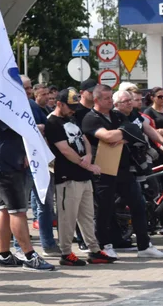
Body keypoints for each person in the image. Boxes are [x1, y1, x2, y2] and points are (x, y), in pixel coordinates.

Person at [82, 85, 163, 259]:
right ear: (97, 100)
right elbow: (107, 137)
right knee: (105, 210)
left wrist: (119, 136)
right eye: (106, 98)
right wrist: (122, 135)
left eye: (111, 97)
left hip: (124, 168)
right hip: (103, 169)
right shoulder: (90, 118)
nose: (110, 100)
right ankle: (105, 245)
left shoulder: (117, 115)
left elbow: (134, 131)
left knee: (138, 205)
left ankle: (144, 246)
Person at [0, 105, 56, 272]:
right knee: (18, 211)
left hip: (2, 164)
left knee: (5, 209)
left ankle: (4, 254)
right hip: (5, 166)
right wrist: (37, 127)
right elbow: (20, 126)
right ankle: (29, 255)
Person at [44, 89, 113, 266]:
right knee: (68, 217)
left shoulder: (71, 119)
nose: (73, 110)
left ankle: (94, 250)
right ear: (59, 104)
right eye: (70, 106)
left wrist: (89, 155)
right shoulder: (52, 122)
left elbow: (84, 140)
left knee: (87, 216)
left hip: (83, 176)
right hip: (67, 177)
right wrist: (88, 165)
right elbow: (65, 150)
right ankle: (66, 253)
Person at [27, 84, 58, 255]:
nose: (47, 97)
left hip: (45, 160)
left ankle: (47, 242)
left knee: (43, 203)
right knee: (43, 204)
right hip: (37, 161)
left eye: (48, 93)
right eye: (43, 94)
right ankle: (47, 243)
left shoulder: (45, 109)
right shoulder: (32, 107)